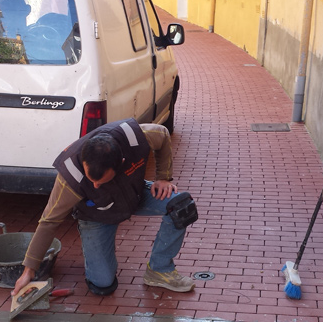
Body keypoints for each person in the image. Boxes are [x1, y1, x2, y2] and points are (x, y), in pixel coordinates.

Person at [11, 118, 196, 298]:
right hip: (95, 215)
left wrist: (163, 177)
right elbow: (48, 221)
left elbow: (163, 134)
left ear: (121, 163)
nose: (96, 186)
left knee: (181, 205)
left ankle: (159, 270)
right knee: (103, 284)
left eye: (101, 181)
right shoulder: (70, 176)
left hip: (133, 195)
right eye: (91, 180)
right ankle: (98, 260)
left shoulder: (135, 137)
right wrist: (29, 270)